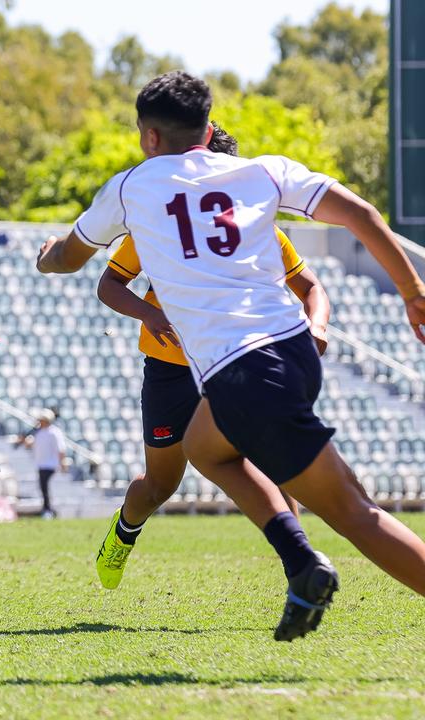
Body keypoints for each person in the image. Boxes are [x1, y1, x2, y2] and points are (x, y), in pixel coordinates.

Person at [37, 70, 425, 641]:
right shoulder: (261, 171)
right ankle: (300, 562)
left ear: (148, 136)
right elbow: (363, 216)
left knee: (354, 515)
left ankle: (304, 562)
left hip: (243, 368)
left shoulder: (132, 188)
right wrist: (414, 296)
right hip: (290, 349)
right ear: (209, 125)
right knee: (203, 447)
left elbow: (69, 259)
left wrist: (46, 255)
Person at [92, 123, 333, 589]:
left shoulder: (254, 228)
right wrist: (150, 315)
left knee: (277, 462)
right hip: (171, 371)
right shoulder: (158, 226)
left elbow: (311, 287)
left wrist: (316, 325)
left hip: (238, 360)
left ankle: (300, 570)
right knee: (159, 486)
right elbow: (108, 285)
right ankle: (123, 533)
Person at [22, 409, 66, 518]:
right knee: (43, 487)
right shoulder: (39, 433)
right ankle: (47, 508)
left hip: (50, 465)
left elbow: (61, 449)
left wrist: (62, 463)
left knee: (45, 487)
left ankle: (48, 510)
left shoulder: (55, 432)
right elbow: (30, 445)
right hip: (41, 464)